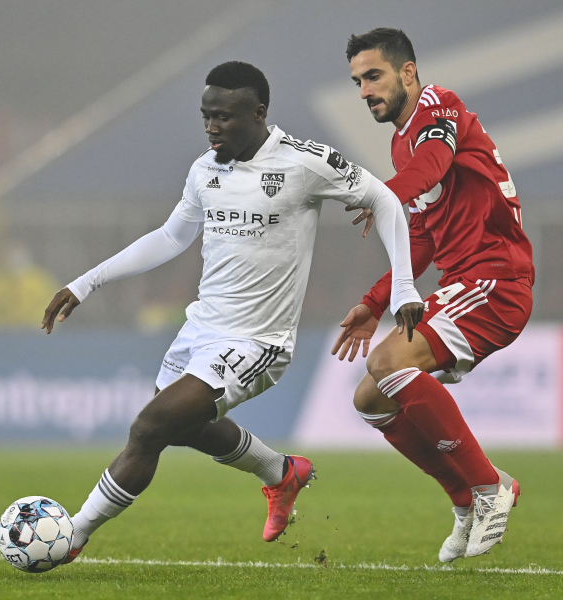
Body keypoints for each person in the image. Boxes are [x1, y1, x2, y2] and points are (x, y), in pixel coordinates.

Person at [41, 61, 424, 562]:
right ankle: (281, 473)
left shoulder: (304, 162)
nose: (211, 126)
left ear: (258, 112)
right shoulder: (205, 169)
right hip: (200, 329)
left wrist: (404, 287)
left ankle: (72, 535)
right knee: (179, 427)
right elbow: (170, 237)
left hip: (258, 341)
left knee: (148, 429)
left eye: (222, 116)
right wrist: (85, 281)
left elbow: (385, 199)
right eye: (205, 116)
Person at [331, 29, 535, 561]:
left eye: (372, 76)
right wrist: (373, 304)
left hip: (496, 280)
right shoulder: (402, 142)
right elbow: (418, 236)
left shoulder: (438, 106)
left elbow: (434, 167)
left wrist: (381, 194)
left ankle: (491, 486)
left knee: (387, 362)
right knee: (370, 399)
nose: (363, 91)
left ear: (407, 72)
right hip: (463, 282)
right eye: (356, 81)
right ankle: (465, 498)